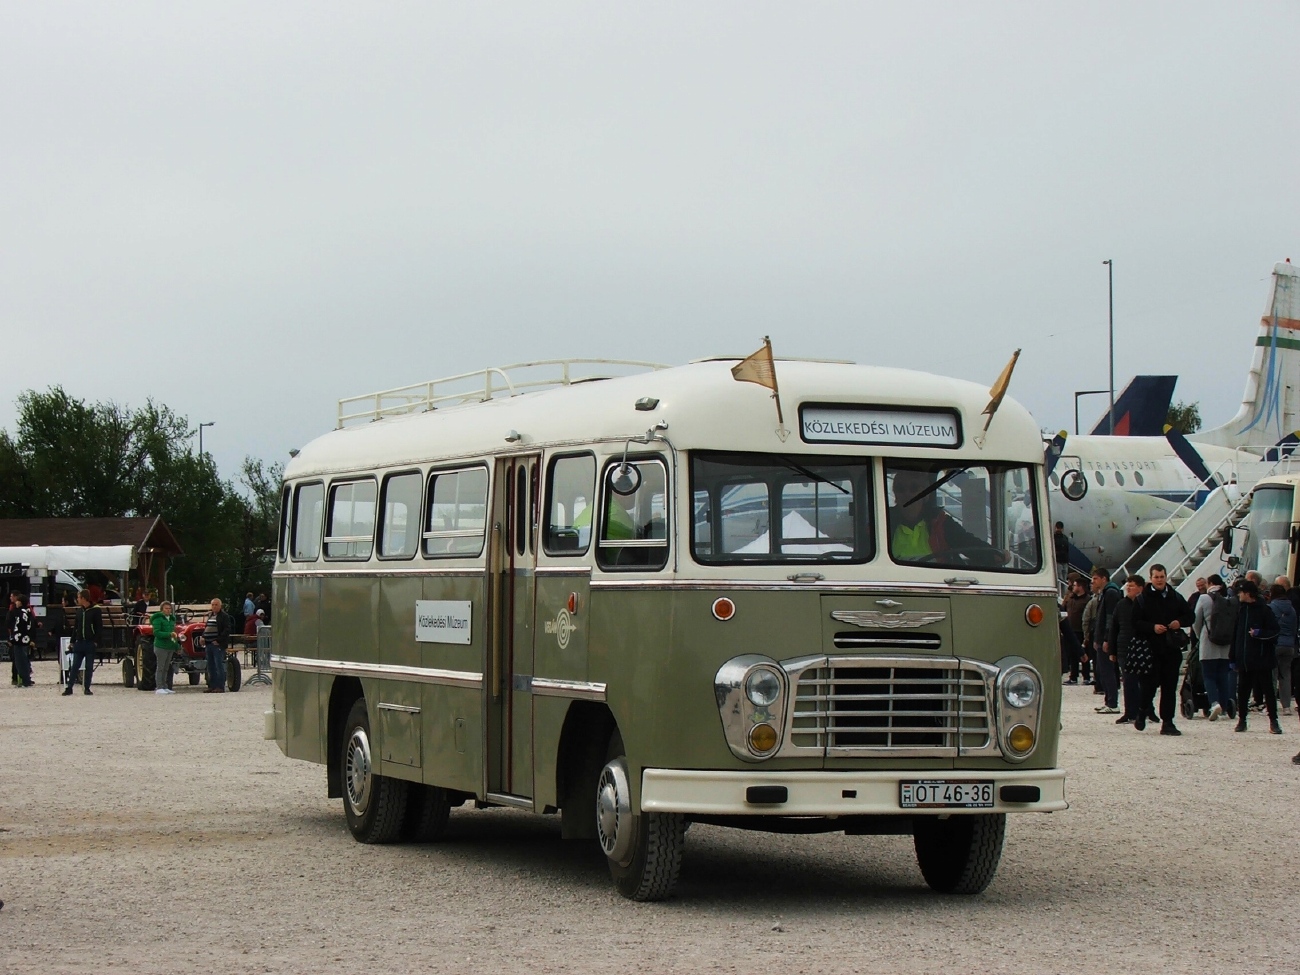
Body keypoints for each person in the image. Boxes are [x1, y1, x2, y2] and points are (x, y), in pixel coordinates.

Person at [887, 468, 1002, 565]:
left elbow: (966, 542)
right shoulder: (883, 524)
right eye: (900, 488)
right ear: (895, 494)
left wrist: (994, 554)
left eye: (914, 488)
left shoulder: (940, 522)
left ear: (925, 495)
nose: (907, 493)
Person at [1132, 563, 1194, 735]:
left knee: (1169, 687)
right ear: (1151, 579)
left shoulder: (1175, 597)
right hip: (1150, 650)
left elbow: (1190, 616)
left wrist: (1179, 622)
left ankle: (1167, 722)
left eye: (1162, 577)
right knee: (1148, 687)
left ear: (1166, 577)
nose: (1159, 580)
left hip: (1170, 650)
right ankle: (1143, 711)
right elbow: (1134, 623)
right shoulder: (1142, 599)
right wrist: (1152, 627)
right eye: (1156, 577)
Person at [1231, 579, 1282, 734]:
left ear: (1248, 594)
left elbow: (1275, 631)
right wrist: (1233, 657)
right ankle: (1242, 720)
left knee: (1268, 692)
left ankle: (1274, 721)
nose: (1238, 595)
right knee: (1243, 691)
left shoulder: (1265, 610)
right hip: (1245, 660)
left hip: (1262, 659)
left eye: (1240, 592)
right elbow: (1236, 635)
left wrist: (1260, 633)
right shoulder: (1241, 610)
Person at [1194, 575, 1237, 721]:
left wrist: (1201, 636)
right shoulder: (1229, 598)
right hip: (1226, 643)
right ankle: (1225, 706)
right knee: (1223, 676)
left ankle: (1214, 703)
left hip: (1209, 640)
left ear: (1210, 584)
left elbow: (1196, 621)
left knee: (1209, 675)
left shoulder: (1204, 599)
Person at [1107, 574, 1145, 723]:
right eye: (1128, 585)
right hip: (1124, 648)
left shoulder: (1146, 604)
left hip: (1143, 647)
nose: (1128, 587)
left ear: (1141, 588)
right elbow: (1114, 627)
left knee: (1144, 682)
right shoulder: (1121, 604)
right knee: (1128, 681)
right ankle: (1130, 712)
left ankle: (1147, 710)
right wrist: (1112, 650)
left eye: (1132, 585)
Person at [1089, 568, 1123, 713]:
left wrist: (1106, 638)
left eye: (1095, 579)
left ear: (1104, 579)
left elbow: (1110, 618)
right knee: (1103, 670)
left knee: (1108, 670)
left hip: (1106, 639)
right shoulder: (1105, 593)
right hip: (1102, 637)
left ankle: (1112, 703)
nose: (1092, 582)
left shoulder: (1110, 593)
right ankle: (1109, 700)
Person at [64, 590, 101, 696]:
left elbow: (99, 627)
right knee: (75, 665)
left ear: (84, 598)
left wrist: (96, 641)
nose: (77, 599)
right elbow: (76, 627)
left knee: (89, 667)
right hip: (79, 642)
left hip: (90, 642)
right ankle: (69, 687)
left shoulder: (95, 610)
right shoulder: (80, 611)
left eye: (79, 597)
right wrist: (72, 641)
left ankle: (87, 687)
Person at [1268, 584, 1297, 716]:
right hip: (1289, 645)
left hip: (1276, 644)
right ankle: (1286, 707)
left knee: (1272, 676)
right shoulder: (1292, 609)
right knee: (1286, 675)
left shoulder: (1272, 607)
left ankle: (1271, 705)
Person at [1062, 575, 1090, 684]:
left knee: (1084, 653)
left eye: (1075, 585)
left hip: (1081, 630)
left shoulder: (1087, 600)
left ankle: (1086, 676)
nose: (1073, 587)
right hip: (1071, 629)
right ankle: (1073, 676)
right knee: (1072, 654)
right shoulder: (1070, 598)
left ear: (1081, 587)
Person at [150, 600, 180, 695]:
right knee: (161, 667)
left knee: (166, 667)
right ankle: (159, 686)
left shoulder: (171, 619)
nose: (168, 610)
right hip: (160, 646)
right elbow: (156, 632)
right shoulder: (158, 619)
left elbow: (174, 634)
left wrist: (176, 646)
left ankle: (165, 686)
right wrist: (169, 634)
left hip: (169, 646)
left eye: (169, 608)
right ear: (162, 609)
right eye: (166, 608)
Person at [202, 598, 231, 693]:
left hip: (217, 645)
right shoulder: (210, 615)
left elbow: (227, 630)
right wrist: (203, 637)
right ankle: (212, 685)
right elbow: (207, 628)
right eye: (213, 605)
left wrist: (219, 640)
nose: (214, 606)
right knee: (210, 666)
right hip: (208, 644)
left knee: (219, 665)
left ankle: (220, 686)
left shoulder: (224, 616)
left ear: (220, 606)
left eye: (216, 605)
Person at [9, 593, 35, 688]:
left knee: (20, 661)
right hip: (24, 639)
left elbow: (20, 627)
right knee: (23, 660)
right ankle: (26, 679)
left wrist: (13, 639)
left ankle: (25, 680)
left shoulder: (21, 613)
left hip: (20, 640)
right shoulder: (27, 612)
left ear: (20, 602)